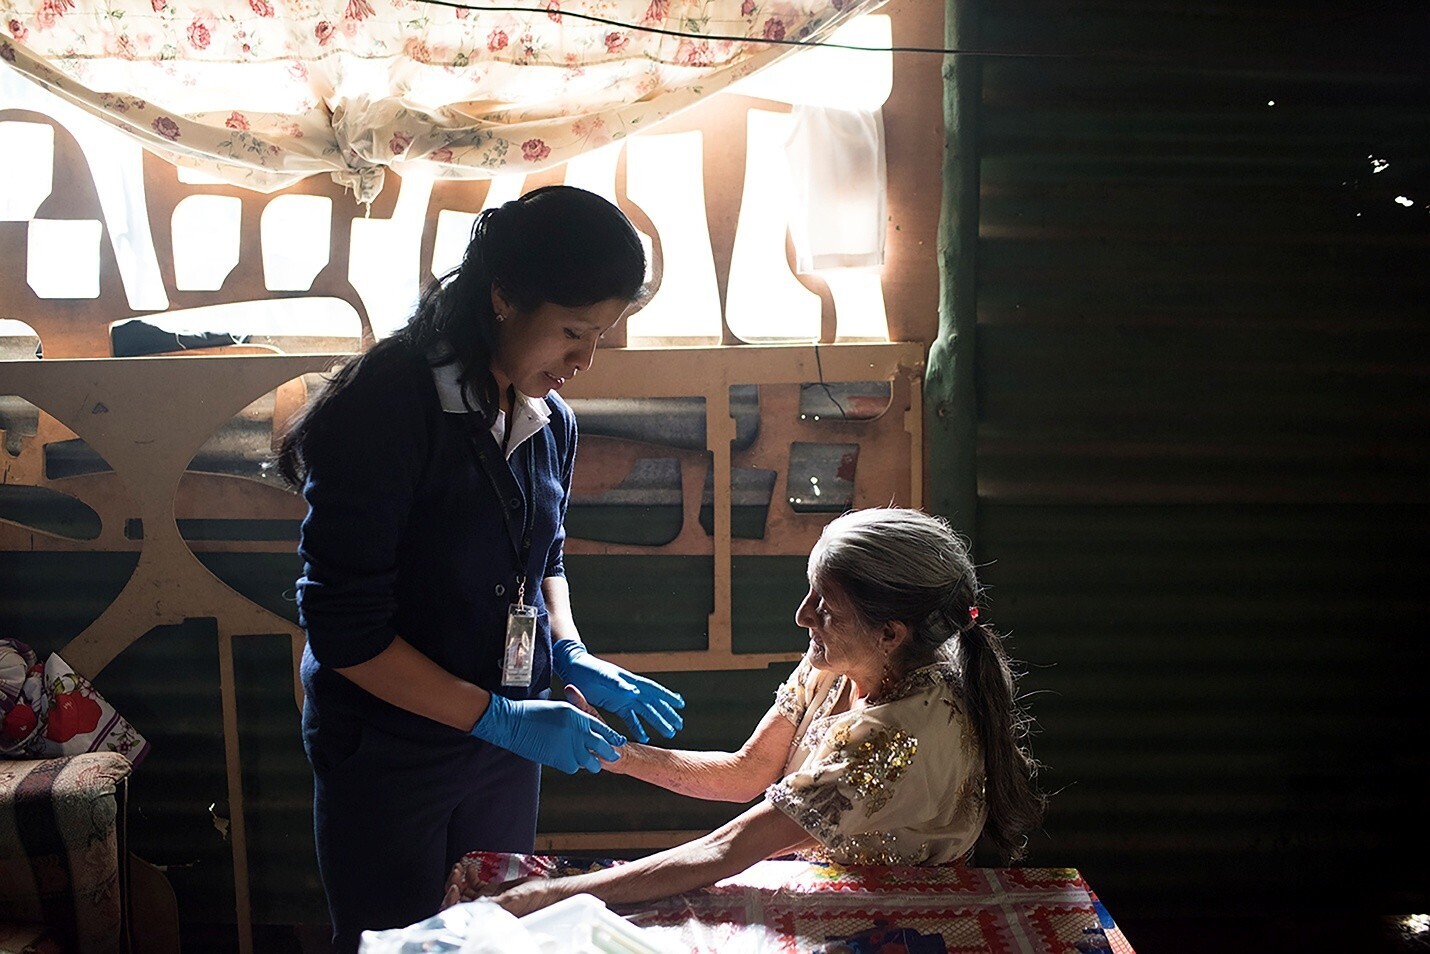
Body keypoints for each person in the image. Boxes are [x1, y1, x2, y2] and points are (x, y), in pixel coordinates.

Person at [275, 185, 686, 951]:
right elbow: (343, 630)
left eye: (601, 335)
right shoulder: (388, 406)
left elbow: (545, 559)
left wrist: (569, 651)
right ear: (504, 298)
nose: (585, 361)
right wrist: (497, 716)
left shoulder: (547, 418)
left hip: (505, 746)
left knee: (494, 934)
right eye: (572, 331)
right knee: (400, 942)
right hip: (391, 750)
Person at [448, 507, 1047, 916]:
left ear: (890, 633)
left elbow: (723, 850)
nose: (802, 615)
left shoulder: (896, 735)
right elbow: (748, 773)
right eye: (809, 589)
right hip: (834, 886)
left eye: (826, 606)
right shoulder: (838, 662)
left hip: (897, 916)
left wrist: (546, 897)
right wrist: (615, 751)